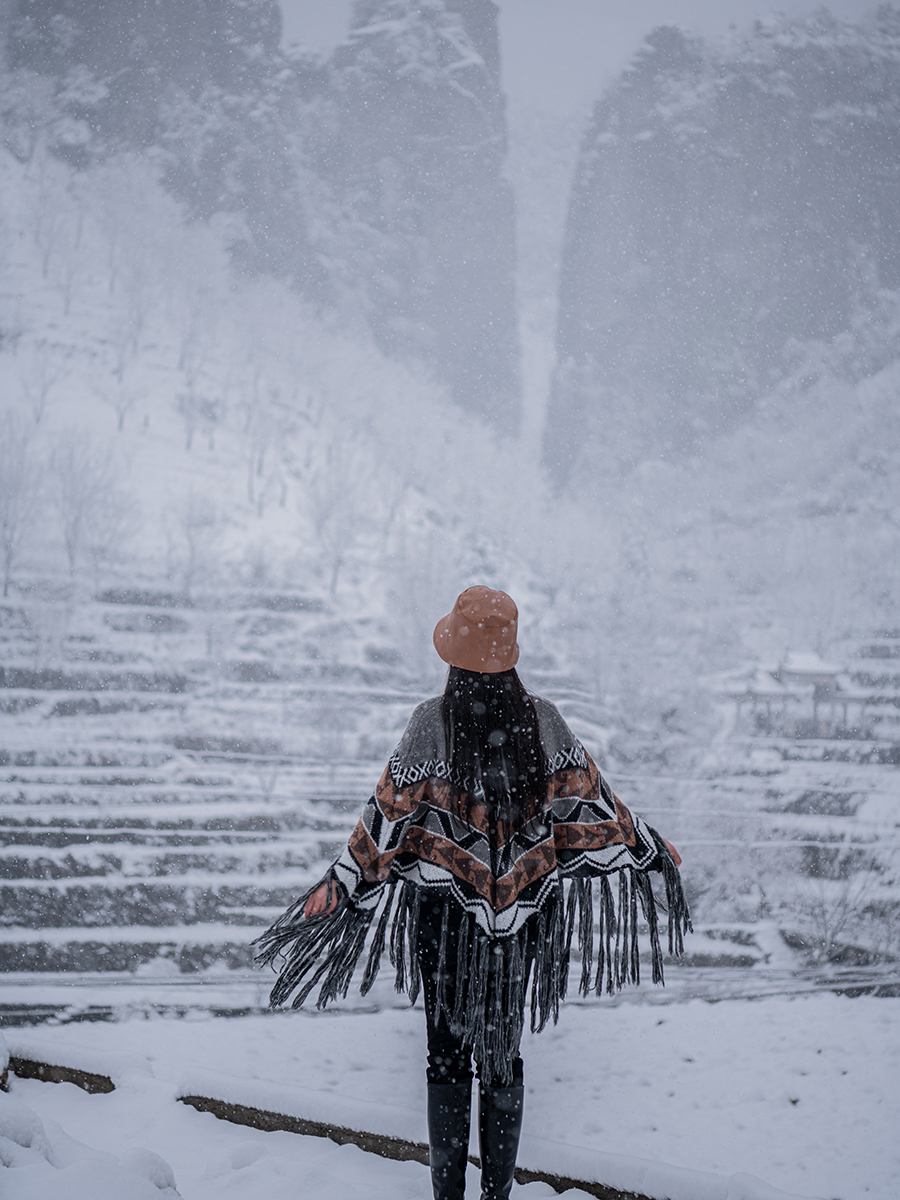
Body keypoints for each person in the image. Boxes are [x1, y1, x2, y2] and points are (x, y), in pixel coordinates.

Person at [255, 586, 690, 1200]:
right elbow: (597, 802)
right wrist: (648, 846)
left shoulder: (431, 723)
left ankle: (450, 1198)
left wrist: (342, 882)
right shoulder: (543, 721)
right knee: (504, 1056)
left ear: (455, 655)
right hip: (524, 924)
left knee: (446, 1054)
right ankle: (496, 1197)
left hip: (445, 921)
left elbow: (385, 818)